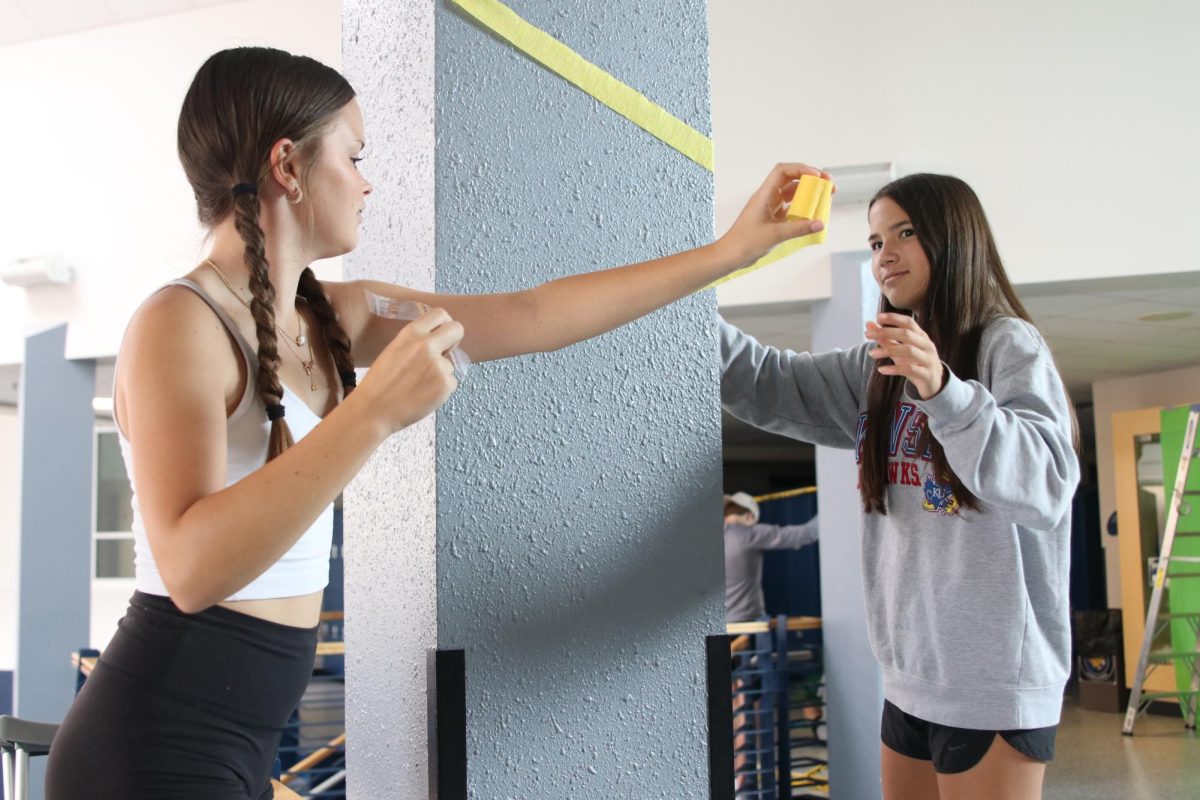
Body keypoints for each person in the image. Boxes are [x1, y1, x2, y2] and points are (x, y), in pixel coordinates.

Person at [42, 47, 827, 799]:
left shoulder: (331, 313)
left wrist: (728, 253)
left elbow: (533, 312)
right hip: (150, 751)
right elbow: (191, 567)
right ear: (287, 166)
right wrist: (375, 412)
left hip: (232, 747)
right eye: (352, 157)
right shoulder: (178, 324)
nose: (367, 183)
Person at [718, 174, 1079, 800]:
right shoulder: (876, 366)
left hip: (992, 682)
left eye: (905, 233)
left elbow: (1046, 483)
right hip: (910, 676)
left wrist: (944, 391)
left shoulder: (1007, 345)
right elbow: (765, 381)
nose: (885, 254)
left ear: (954, 238)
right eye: (876, 238)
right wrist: (684, 291)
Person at [722, 491, 819, 624]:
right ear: (750, 516)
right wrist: (832, 507)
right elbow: (806, 534)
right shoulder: (749, 535)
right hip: (745, 623)